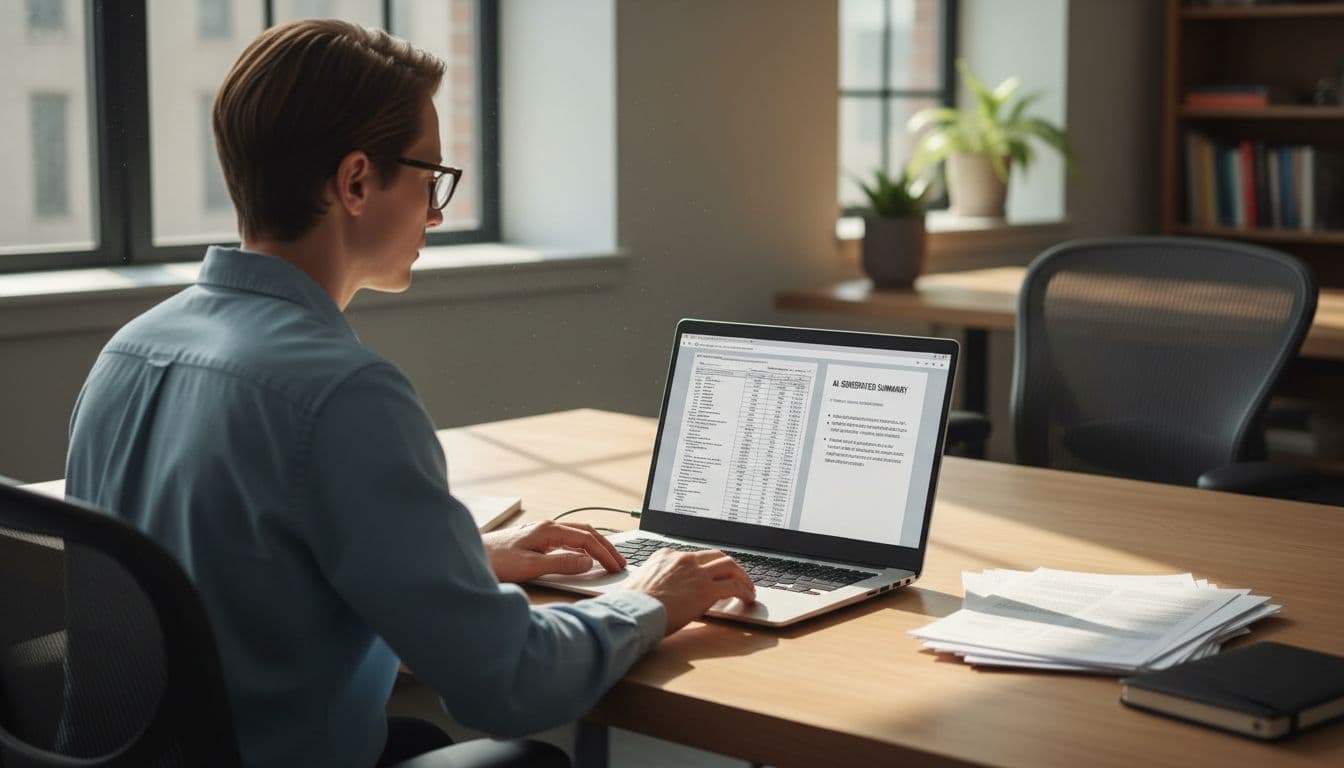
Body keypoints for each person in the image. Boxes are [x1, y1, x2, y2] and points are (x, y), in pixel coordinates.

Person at [64, 19, 755, 768]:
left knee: (418, 741)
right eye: (431, 177)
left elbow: (238, 570)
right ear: (357, 181)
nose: (436, 212)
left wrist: (460, 560)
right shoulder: (341, 393)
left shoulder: (130, 350)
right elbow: (507, 686)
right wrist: (650, 598)